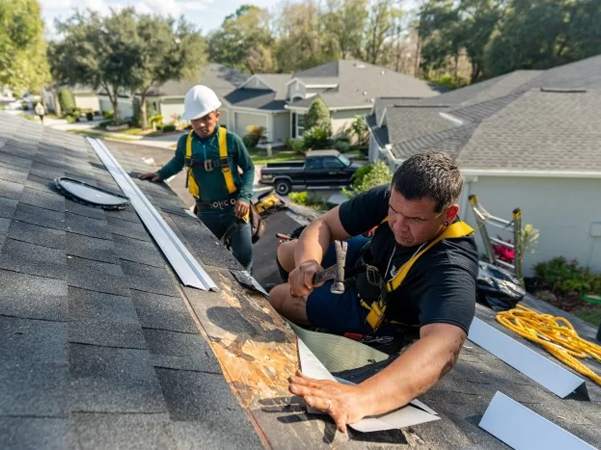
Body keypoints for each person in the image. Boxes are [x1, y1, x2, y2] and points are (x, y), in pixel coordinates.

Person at [268, 151, 478, 432]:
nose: (398, 226)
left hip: (376, 309)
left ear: (448, 215)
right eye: (393, 211)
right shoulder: (398, 199)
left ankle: (317, 310)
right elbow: (324, 224)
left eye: (415, 220)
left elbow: (444, 348)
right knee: (287, 252)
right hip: (367, 262)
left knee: (278, 298)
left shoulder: (451, 267)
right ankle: (309, 286)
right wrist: (308, 264)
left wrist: (359, 398)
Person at [139, 85, 255, 272]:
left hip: (235, 210)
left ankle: (249, 295)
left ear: (217, 116)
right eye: (195, 119)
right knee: (209, 259)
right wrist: (160, 174)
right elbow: (177, 162)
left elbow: (249, 168)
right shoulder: (186, 142)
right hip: (206, 213)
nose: (201, 124)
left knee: (243, 258)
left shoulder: (231, 140)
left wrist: (245, 197)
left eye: (206, 118)